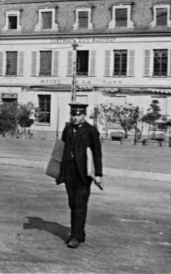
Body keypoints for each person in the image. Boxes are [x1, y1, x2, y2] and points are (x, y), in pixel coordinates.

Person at [56, 103, 103, 249]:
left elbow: (97, 153)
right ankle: (79, 233)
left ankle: (75, 237)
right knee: (72, 203)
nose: (75, 117)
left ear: (84, 115)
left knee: (80, 204)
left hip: (84, 174)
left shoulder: (91, 131)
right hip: (69, 172)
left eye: (78, 115)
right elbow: (61, 149)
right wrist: (58, 170)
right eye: (73, 114)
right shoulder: (67, 129)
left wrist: (99, 174)